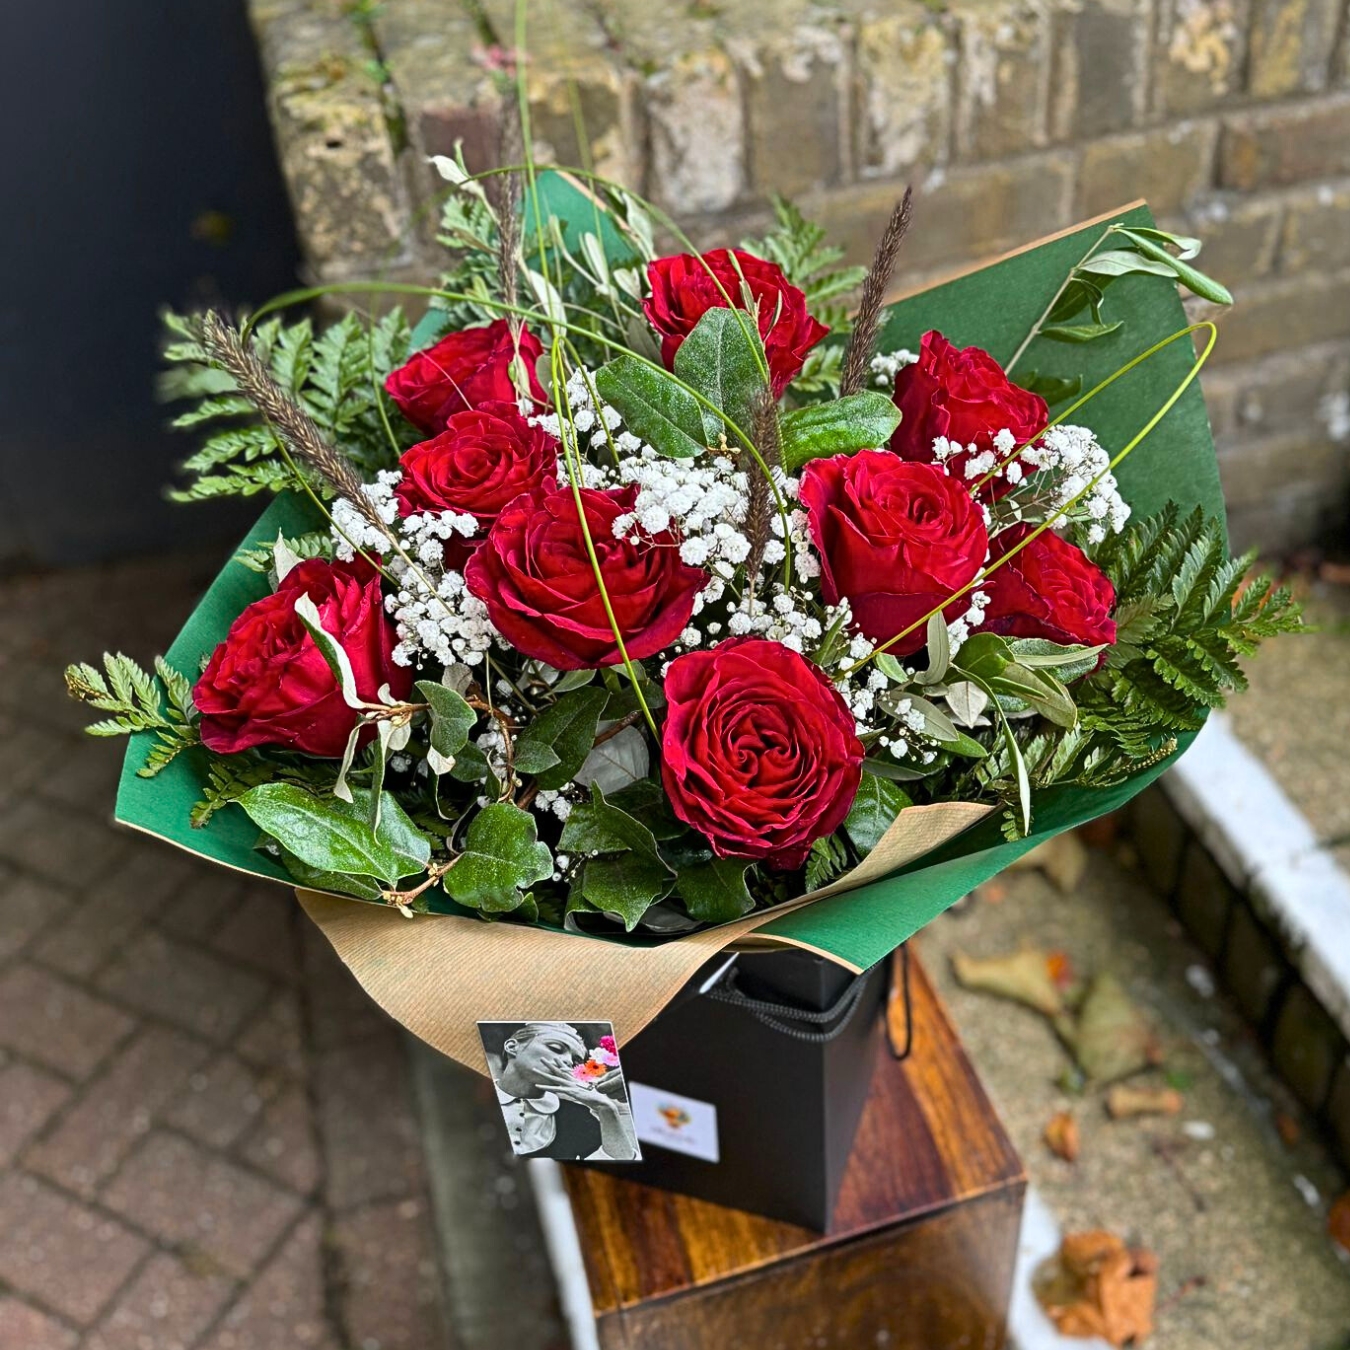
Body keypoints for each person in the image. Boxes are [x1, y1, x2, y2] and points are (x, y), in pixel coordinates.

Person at [493, 1022, 638, 1161]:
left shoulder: (581, 1118)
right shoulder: (478, 1096)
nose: (568, 1061)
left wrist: (606, 1109)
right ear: (512, 1047)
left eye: (575, 1061)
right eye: (556, 1048)